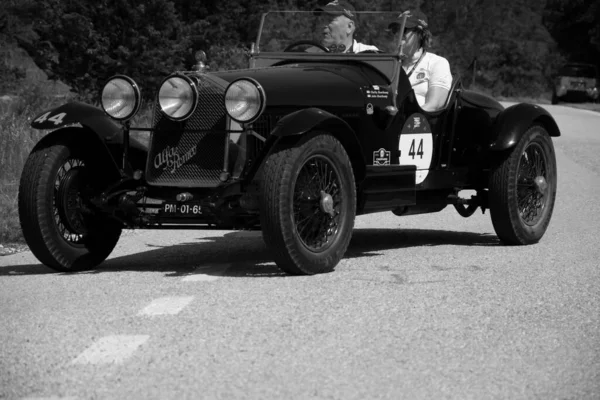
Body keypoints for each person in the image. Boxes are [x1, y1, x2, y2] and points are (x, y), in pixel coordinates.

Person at [387, 10, 452, 112]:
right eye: (395, 30)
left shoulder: (437, 63)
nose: (398, 34)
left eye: (404, 29)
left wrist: (404, 116)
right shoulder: (390, 65)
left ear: (420, 34)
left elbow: (434, 105)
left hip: (419, 124)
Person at [312, 1, 379, 53]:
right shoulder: (310, 54)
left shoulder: (369, 53)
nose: (323, 25)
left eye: (330, 20)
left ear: (349, 27)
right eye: (322, 20)